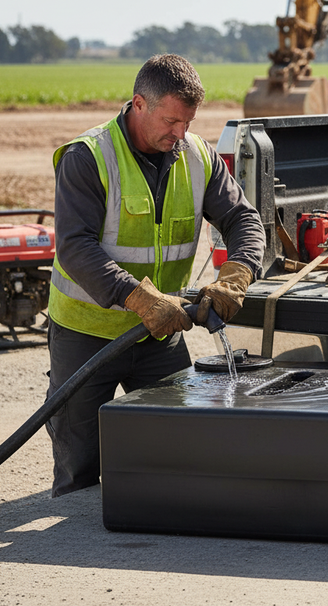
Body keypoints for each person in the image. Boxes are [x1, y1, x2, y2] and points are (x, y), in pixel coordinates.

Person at [45, 54, 265, 497]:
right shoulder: (88, 157)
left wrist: (237, 274)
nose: (180, 134)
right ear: (138, 104)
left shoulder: (198, 157)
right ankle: (72, 555)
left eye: (187, 122)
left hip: (159, 336)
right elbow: (75, 247)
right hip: (87, 333)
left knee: (177, 447)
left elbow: (244, 219)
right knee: (80, 463)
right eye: (170, 121)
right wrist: (138, 298)